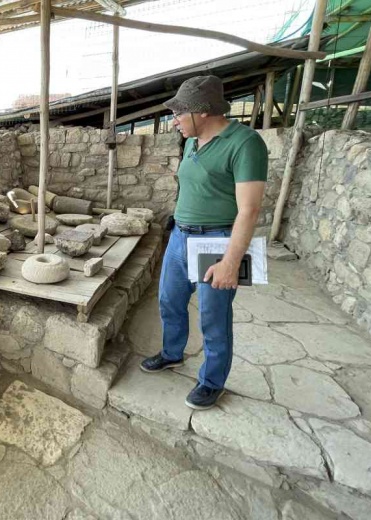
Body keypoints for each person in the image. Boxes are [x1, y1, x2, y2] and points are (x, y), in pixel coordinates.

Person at [140, 75, 268, 410]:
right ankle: (171, 354)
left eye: (180, 113)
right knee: (169, 301)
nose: (175, 119)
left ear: (203, 111)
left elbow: (250, 210)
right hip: (181, 236)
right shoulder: (192, 141)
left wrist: (229, 261)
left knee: (214, 317)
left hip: (218, 240)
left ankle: (212, 381)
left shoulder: (245, 143)